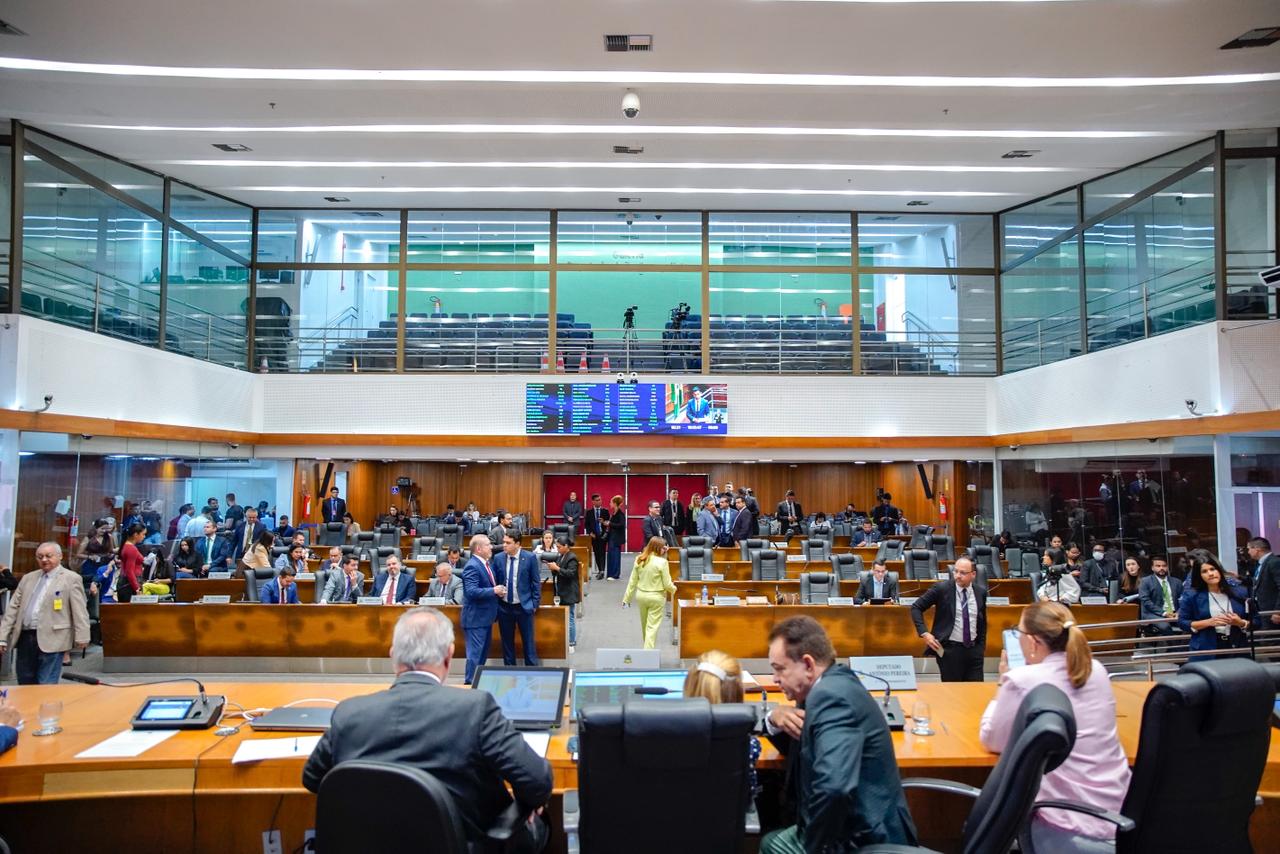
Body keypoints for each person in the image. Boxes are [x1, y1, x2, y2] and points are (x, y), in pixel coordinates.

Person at [302, 607, 552, 853]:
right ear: (449, 655)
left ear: (393, 655)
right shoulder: (475, 709)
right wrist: (526, 802)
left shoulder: (349, 713)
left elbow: (312, 779)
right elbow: (538, 781)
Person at [980, 602, 1131, 850]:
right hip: (1121, 814)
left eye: (1018, 632)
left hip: (1063, 823)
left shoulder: (1022, 679)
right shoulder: (1097, 671)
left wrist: (1001, 683)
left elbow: (992, 740)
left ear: (1033, 642)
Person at [761, 616, 917, 852]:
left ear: (808, 664)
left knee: (772, 844)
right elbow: (804, 747)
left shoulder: (831, 697)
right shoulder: (827, 685)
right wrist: (773, 718)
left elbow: (833, 789)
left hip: (864, 837)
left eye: (779, 669)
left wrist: (814, 848)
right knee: (771, 840)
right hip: (849, 824)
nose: (774, 679)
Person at [0, 542, 90, 684]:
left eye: (49, 556)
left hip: (53, 637)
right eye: (40, 557)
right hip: (25, 637)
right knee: (25, 681)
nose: (44, 560)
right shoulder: (28, 578)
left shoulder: (71, 579)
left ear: (60, 556)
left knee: (46, 682)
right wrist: (2, 636)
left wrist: (82, 636)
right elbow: (13, 609)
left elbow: (80, 610)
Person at [683, 651, 761, 796]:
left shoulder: (670, 740)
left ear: (688, 685)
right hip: (731, 810)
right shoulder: (749, 746)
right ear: (738, 691)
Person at [910, 556, 986, 682]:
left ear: (973, 574)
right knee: (953, 691)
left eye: (963, 573)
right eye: (956, 571)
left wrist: (981, 648)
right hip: (950, 651)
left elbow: (982, 623)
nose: (957, 576)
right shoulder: (942, 589)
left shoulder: (980, 592)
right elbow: (916, 607)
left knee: (975, 690)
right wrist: (925, 633)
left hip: (974, 652)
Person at [1178, 551, 1252, 657]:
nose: (1210, 574)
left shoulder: (1240, 592)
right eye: (1204, 571)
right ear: (1199, 575)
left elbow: (1256, 621)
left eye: (1213, 569)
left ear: (1219, 570)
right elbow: (1183, 623)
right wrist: (1208, 622)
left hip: (1237, 647)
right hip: (1206, 648)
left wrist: (1241, 623)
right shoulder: (1192, 595)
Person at [461, 534, 504, 684]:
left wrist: (496, 591)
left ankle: (477, 683)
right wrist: (494, 590)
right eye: (487, 545)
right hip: (475, 619)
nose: (491, 547)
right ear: (478, 549)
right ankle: (469, 684)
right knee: (474, 656)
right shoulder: (472, 566)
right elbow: (471, 592)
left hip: (485, 618)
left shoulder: (486, 564)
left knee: (482, 655)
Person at [622, 536, 676, 649]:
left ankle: (646, 649)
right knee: (652, 628)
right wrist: (675, 590)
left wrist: (626, 599)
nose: (665, 550)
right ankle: (648, 654)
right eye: (663, 548)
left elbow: (632, 581)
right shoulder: (663, 562)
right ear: (658, 548)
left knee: (645, 626)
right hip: (656, 597)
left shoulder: (640, 559)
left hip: (641, 596)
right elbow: (667, 584)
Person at [496, 533, 540, 666]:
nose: (504, 545)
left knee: (528, 642)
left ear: (517, 544)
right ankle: (510, 671)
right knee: (507, 643)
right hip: (504, 607)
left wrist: (534, 604)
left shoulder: (530, 557)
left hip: (523, 606)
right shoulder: (498, 558)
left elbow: (535, 582)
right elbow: (495, 580)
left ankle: (532, 671)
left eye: (508, 543)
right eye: (504, 542)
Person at [547, 536, 581, 653]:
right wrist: (552, 568)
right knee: (563, 616)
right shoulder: (560, 556)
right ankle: (564, 639)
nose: (557, 549)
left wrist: (556, 568)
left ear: (566, 546)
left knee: (570, 617)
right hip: (561, 590)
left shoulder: (572, 558)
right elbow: (558, 572)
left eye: (559, 547)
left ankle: (571, 642)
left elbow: (570, 573)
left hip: (569, 591)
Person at [1138, 555, 1182, 637]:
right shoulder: (1145, 581)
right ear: (1152, 568)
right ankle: (1173, 645)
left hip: (1174, 613)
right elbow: (1146, 601)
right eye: (1158, 566)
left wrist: (1179, 612)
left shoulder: (1177, 582)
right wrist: (1164, 613)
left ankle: (1182, 644)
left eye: (1164, 566)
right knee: (1165, 627)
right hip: (1154, 614)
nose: (1161, 568)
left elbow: (1183, 599)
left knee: (1188, 623)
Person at [1248, 537, 1280, 625]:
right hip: (1262, 611)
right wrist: (1239, 577)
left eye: (1249, 549)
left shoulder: (1274, 562)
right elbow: (1260, 583)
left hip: (1272, 612)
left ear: (1257, 549)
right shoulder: (1261, 564)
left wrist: (1277, 611)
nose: (1248, 552)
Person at [114, 523, 146, 602]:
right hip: (129, 585)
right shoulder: (131, 549)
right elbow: (129, 571)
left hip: (127, 582)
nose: (144, 536)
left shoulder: (127, 546)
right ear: (136, 534)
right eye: (143, 534)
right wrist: (137, 588)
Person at [586, 494, 610, 580]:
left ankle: (602, 571)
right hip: (594, 536)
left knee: (602, 553)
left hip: (603, 535)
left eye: (600, 499)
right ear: (593, 501)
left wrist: (604, 522)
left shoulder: (605, 511)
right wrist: (590, 533)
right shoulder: (589, 512)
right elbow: (587, 525)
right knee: (596, 553)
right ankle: (600, 570)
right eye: (597, 500)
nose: (599, 501)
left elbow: (608, 523)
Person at [605, 495, 626, 581]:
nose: (610, 504)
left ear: (615, 503)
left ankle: (615, 574)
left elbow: (621, 525)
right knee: (610, 555)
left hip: (616, 538)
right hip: (612, 536)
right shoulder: (613, 513)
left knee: (615, 556)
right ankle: (610, 573)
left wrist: (610, 524)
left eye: (611, 502)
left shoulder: (620, 514)